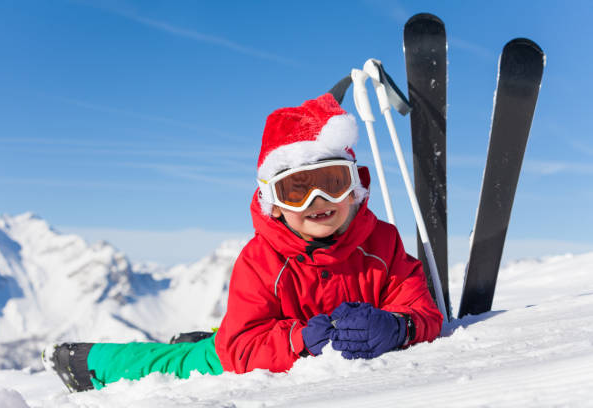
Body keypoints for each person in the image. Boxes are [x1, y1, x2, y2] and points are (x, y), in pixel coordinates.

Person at [42, 93, 443, 392]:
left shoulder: (382, 244)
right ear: (273, 204)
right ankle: (92, 360)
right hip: (247, 351)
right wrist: (299, 339)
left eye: (332, 183)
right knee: (179, 366)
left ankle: (205, 337)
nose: (317, 203)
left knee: (219, 339)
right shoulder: (261, 261)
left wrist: (398, 327)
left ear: (355, 187)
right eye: (296, 191)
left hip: (258, 336)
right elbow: (239, 348)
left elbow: (421, 309)